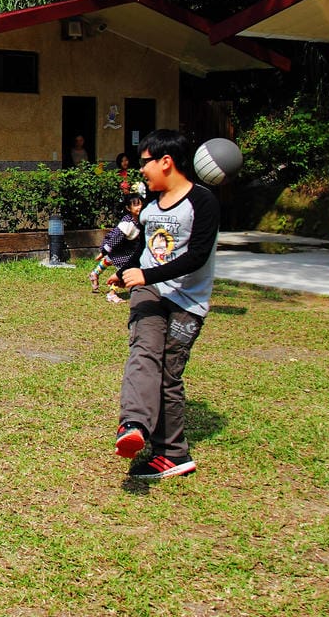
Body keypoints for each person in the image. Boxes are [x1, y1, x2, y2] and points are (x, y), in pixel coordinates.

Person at [111, 129, 220, 480]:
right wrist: (127, 272)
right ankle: (134, 426)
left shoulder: (202, 202)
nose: (141, 170)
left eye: (145, 163)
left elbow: (198, 256)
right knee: (144, 352)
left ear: (166, 162)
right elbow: (143, 249)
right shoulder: (152, 207)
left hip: (187, 301)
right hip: (151, 295)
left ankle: (174, 454)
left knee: (169, 375)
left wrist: (147, 275)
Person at [89, 193, 144, 302]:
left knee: (110, 260)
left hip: (129, 248)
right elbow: (115, 238)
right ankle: (112, 293)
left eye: (141, 204)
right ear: (128, 208)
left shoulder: (141, 219)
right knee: (123, 271)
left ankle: (94, 273)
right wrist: (104, 251)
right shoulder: (127, 223)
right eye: (136, 205)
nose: (139, 207)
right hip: (119, 248)